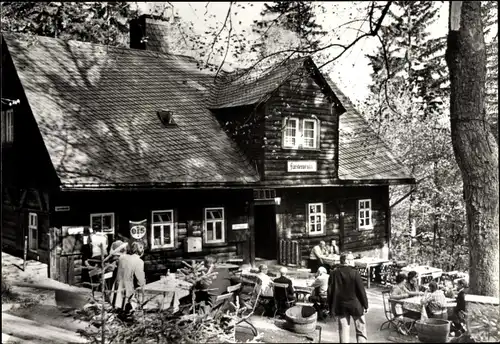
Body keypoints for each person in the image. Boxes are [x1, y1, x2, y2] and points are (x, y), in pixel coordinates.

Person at [327, 252, 368, 343]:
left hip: (341, 306)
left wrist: (331, 308)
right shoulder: (355, 272)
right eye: (352, 259)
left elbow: (330, 292)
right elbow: (361, 290)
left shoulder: (333, 273)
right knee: (361, 328)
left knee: (343, 330)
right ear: (347, 261)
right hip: (356, 305)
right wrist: (365, 305)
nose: (353, 261)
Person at [112, 241, 146, 314]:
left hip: (117, 287)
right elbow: (140, 280)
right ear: (141, 250)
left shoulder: (122, 257)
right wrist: (142, 287)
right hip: (127, 290)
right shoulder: (139, 261)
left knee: (118, 311)